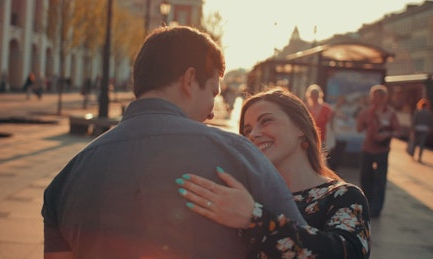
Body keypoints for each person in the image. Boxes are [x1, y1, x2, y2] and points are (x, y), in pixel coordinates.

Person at [41, 26, 305, 259]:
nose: (213, 112)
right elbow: (305, 247)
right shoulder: (238, 154)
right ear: (189, 80)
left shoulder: (67, 179)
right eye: (213, 92)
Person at [176, 87, 371, 258]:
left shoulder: (343, 196)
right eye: (247, 129)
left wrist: (254, 218)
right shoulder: (244, 195)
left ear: (301, 128)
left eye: (266, 121)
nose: (253, 134)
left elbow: (349, 253)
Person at [356, 84, 400, 218]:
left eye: (380, 97)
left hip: (382, 150)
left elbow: (398, 131)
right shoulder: (366, 112)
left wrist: (386, 134)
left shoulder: (391, 113)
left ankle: (376, 209)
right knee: (366, 178)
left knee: (380, 181)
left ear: (385, 98)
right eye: (374, 97)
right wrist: (360, 119)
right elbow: (359, 129)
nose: (376, 100)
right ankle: (366, 205)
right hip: (367, 149)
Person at [409, 98, 433, 162]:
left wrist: (412, 129)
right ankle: (419, 157)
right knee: (422, 144)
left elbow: (413, 121)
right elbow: (431, 122)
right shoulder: (429, 113)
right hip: (425, 130)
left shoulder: (418, 112)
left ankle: (412, 154)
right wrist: (430, 129)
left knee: (414, 142)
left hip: (417, 129)